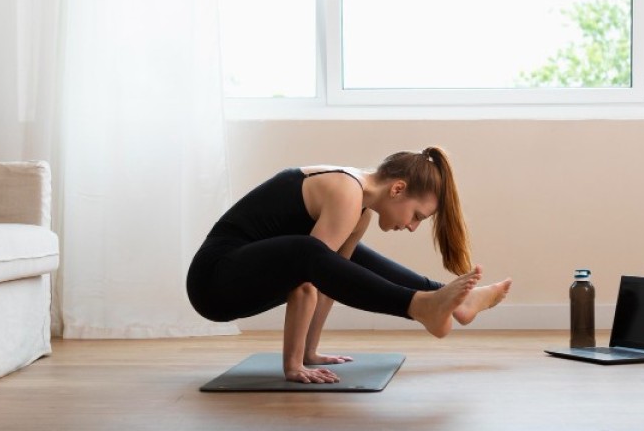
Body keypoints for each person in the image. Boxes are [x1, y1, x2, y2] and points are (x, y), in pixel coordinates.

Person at [186, 146, 513, 384]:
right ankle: (419, 305)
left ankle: (447, 300)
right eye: (416, 216)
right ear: (397, 189)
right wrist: (294, 364)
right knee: (309, 253)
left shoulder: (360, 211)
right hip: (214, 281)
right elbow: (305, 283)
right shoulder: (347, 193)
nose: (412, 226)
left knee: (343, 257)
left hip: (245, 276)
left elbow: (330, 283)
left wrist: (311, 352)